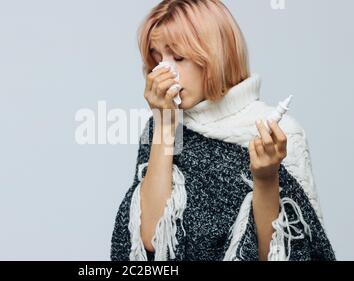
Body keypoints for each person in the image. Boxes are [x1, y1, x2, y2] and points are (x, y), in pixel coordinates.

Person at [110, 0, 336, 261]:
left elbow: (282, 254)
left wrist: (265, 178)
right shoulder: (161, 126)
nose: (163, 71)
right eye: (157, 58)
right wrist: (164, 124)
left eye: (178, 57)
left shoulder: (280, 133)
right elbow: (151, 242)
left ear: (215, 55)